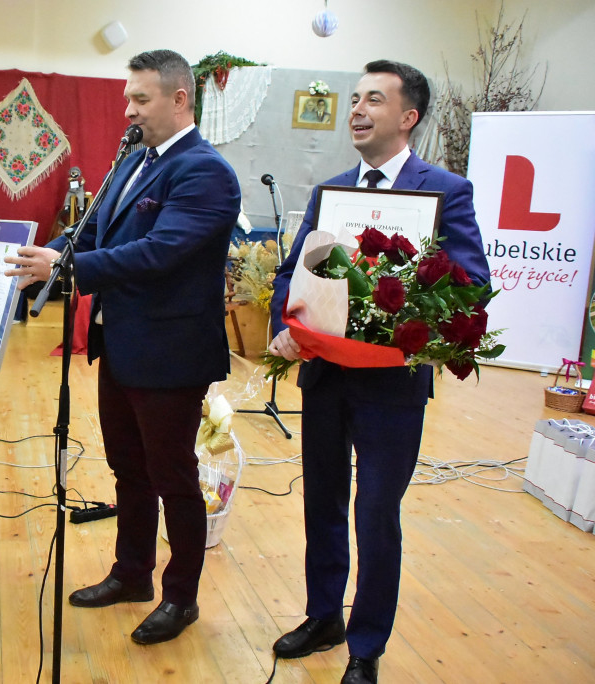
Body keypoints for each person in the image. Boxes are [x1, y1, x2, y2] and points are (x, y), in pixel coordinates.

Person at [2, 49, 241, 645]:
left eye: (141, 98)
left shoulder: (205, 171)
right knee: (128, 469)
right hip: (126, 344)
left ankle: (180, 597)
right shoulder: (136, 160)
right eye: (127, 97)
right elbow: (92, 231)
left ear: (179, 98)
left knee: (173, 477)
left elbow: (161, 251)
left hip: (171, 353)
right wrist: (43, 255)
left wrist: (71, 264)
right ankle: (132, 573)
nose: (127, 109)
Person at [267, 60, 490, 683]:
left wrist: (417, 313)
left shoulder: (445, 190)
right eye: (355, 99)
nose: (357, 110)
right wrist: (288, 322)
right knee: (323, 502)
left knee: (376, 514)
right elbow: (295, 269)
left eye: (373, 99)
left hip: (393, 384)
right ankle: (322, 616)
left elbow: (472, 284)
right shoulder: (330, 189)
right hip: (327, 376)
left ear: (408, 116)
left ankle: (366, 647)